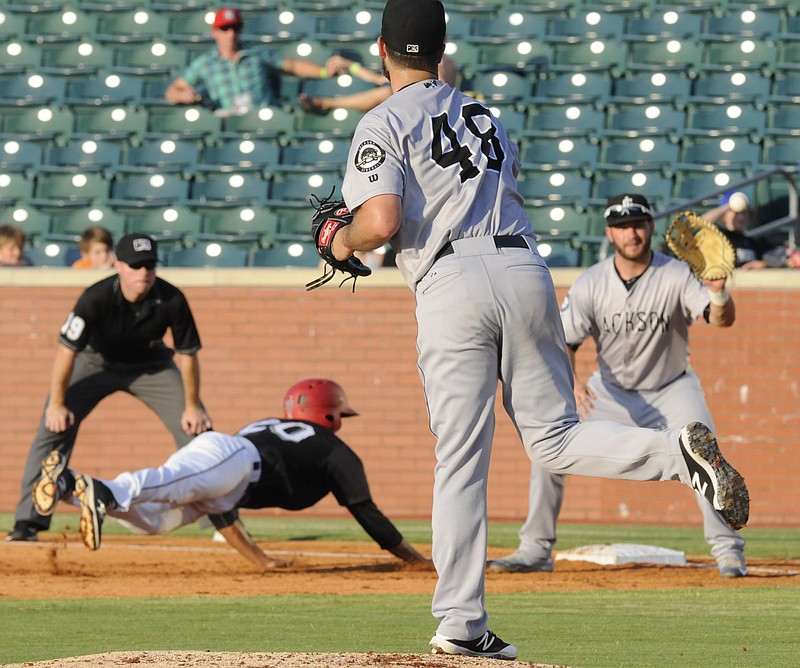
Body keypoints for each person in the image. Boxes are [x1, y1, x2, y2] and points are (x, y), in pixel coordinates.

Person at [323, 0, 749, 660]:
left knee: (461, 458)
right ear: (441, 49)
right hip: (526, 268)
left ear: (381, 48)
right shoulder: (483, 114)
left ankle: (462, 623)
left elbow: (379, 223)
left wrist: (341, 241)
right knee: (553, 438)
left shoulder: (380, 118)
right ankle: (678, 456)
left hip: (452, 280)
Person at [490, 194, 747, 579]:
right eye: (623, 226)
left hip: (671, 386)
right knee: (548, 449)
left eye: (639, 224)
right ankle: (535, 549)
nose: (632, 232)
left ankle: (728, 552)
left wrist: (718, 291)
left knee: (703, 453)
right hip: (610, 390)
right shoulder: (592, 281)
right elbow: (567, 343)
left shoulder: (676, 273)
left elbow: (720, 319)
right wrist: (574, 383)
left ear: (650, 228)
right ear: (610, 232)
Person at [32, 378, 431, 571]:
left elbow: (224, 510)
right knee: (164, 482)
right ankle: (102, 489)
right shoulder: (336, 451)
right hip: (234, 457)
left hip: (229, 469)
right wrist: (411, 558)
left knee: (153, 520)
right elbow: (366, 511)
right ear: (330, 412)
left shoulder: (270, 424)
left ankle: (70, 488)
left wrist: (261, 561)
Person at [6, 233, 213, 543]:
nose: (143, 272)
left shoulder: (171, 298)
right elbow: (66, 352)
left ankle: (220, 520)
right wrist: (58, 403)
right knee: (52, 429)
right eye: (135, 265)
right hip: (95, 362)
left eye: (149, 266)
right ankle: (27, 522)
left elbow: (187, 355)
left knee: (200, 435)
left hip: (151, 365)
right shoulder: (96, 296)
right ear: (118, 266)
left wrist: (192, 405)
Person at [164, 7, 350, 114]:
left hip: (264, 116)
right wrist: (183, 95)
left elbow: (292, 66)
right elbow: (172, 91)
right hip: (228, 120)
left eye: (235, 28)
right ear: (214, 32)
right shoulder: (205, 63)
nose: (230, 34)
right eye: (225, 28)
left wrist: (325, 72)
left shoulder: (257, 54)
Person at [299, 54, 457, 115]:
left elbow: (440, 96)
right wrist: (350, 64)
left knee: (387, 93)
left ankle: (328, 103)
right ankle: (328, 103)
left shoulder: (446, 64)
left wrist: (439, 68)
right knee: (387, 90)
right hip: (402, 102)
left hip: (425, 110)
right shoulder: (408, 59)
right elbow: (379, 80)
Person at [702, 191, 789, 270]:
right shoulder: (718, 237)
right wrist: (730, 205)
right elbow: (701, 223)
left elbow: (777, 260)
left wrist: (762, 264)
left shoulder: (753, 242)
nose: (740, 217)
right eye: (735, 213)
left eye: (744, 213)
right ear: (724, 216)